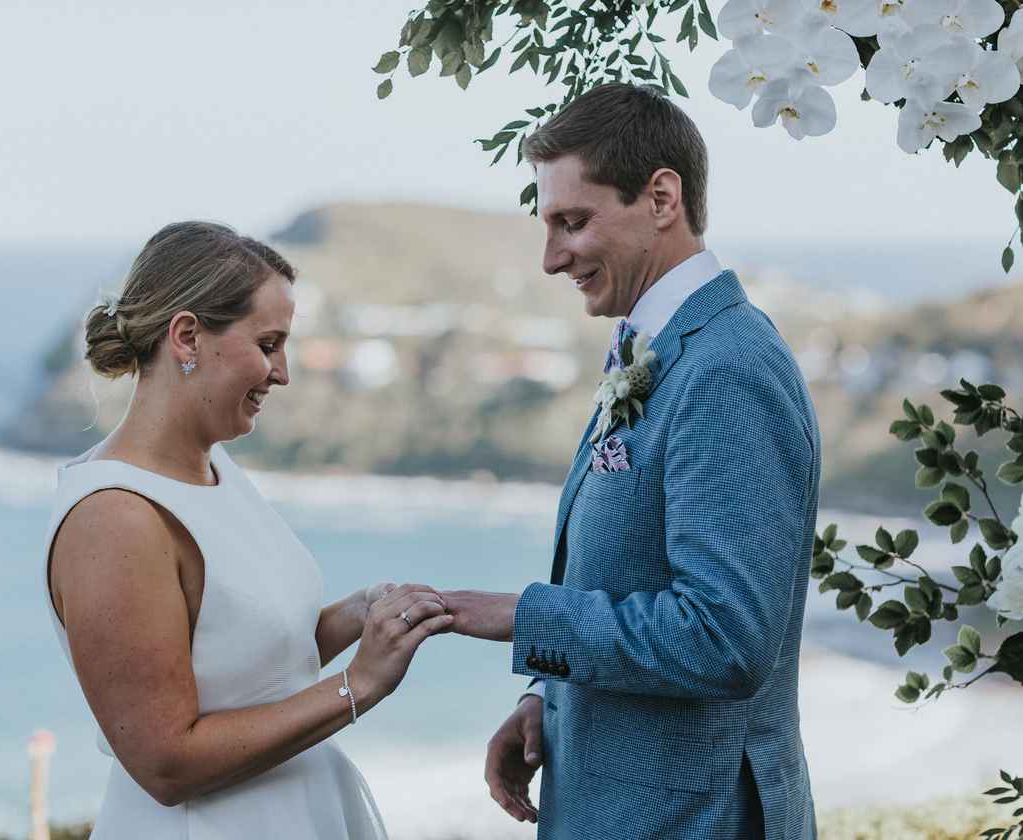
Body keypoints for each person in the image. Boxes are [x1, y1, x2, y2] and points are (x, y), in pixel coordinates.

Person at [444, 83, 822, 839]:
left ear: (661, 198)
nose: (553, 258)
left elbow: (724, 637)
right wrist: (546, 701)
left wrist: (521, 617)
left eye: (573, 222)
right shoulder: (655, 346)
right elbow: (624, 572)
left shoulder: (726, 368)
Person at [43, 221, 452, 839]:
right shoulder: (114, 518)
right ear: (187, 337)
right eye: (268, 344)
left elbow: (244, 666)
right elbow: (165, 762)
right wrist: (357, 686)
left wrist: (356, 615)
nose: (282, 372)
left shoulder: (213, 466)